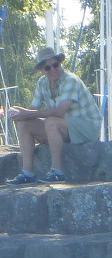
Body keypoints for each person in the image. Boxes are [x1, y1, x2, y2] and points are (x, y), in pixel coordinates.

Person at [7, 47, 102, 185]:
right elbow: (32, 110)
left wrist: (26, 113)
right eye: (47, 68)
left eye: (55, 65)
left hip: (88, 127)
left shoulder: (71, 81)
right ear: (42, 70)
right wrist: (18, 112)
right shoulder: (42, 83)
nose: (52, 70)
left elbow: (59, 112)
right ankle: (27, 173)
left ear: (60, 64)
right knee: (25, 124)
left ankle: (57, 171)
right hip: (66, 127)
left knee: (51, 122)